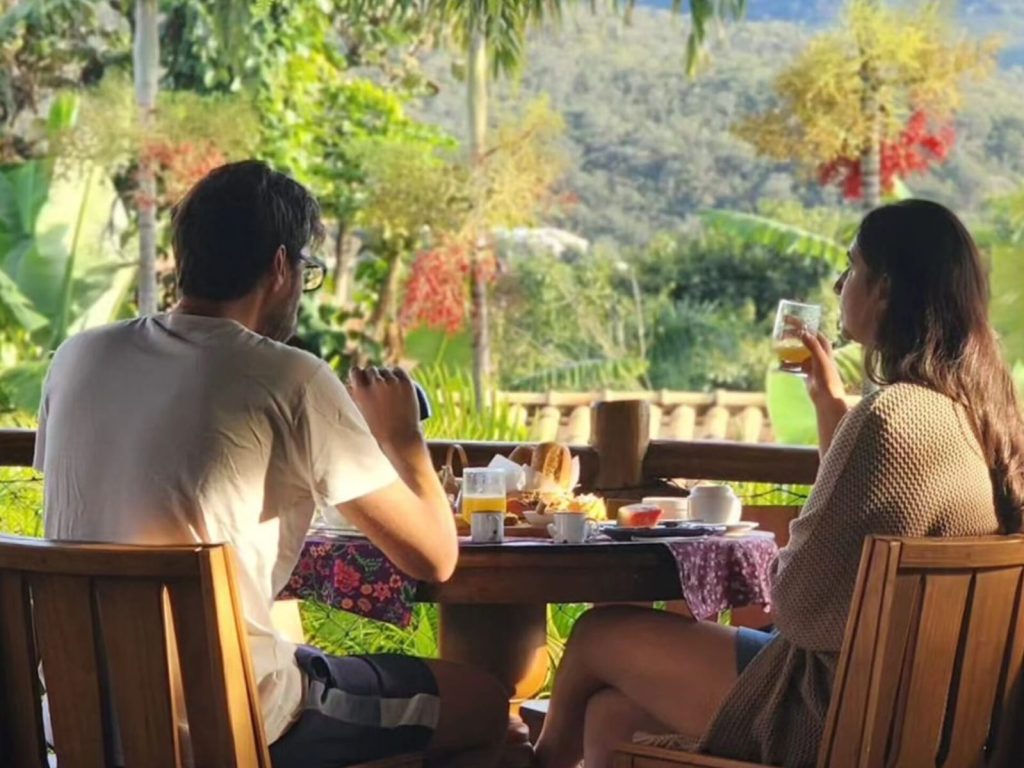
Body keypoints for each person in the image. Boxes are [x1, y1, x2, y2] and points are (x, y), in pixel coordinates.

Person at [33, 160, 511, 768]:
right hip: (232, 720)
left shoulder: (77, 357)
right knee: (485, 706)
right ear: (281, 267)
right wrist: (402, 437)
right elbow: (434, 557)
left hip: (79, 717)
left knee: (301, 657)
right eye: (306, 271)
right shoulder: (290, 377)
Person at [533, 199, 1024, 768]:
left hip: (826, 710)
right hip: (919, 712)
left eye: (852, 267)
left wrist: (785, 557)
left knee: (597, 633)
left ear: (885, 289)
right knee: (613, 717)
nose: (840, 285)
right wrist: (829, 404)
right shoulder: (983, 415)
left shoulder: (892, 416)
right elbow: (873, 509)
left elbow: (795, 604)